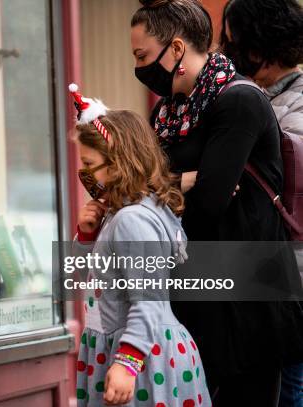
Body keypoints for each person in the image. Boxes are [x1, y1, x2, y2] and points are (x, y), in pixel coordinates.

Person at [130, 0, 303, 405]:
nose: (139, 67)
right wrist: (179, 183)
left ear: (175, 50)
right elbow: (140, 190)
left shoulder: (239, 100)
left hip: (247, 300)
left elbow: (208, 203)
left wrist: (164, 190)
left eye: (142, 56)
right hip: (192, 290)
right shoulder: (169, 112)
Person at [70, 84, 211, 406]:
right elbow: (94, 281)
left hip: (142, 358)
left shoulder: (132, 221)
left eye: (90, 164)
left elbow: (147, 297)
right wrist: (88, 236)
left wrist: (127, 362)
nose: (86, 174)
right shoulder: (122, 215)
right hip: (135, 349)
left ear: (119, 162)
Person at [220, 1, 303, 406]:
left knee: (289, 385)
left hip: (287, 274)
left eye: (233, 42)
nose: (227, 51)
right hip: (268, 272)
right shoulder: (262, 97)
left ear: (259, 47)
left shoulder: (280, 105)